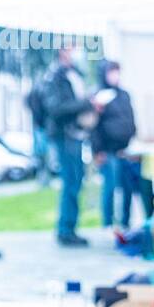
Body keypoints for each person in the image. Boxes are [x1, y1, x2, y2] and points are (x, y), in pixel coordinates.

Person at [40, 42, 96, 246]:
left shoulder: (74, 74)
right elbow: (56, 108)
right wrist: (87, 104)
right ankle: (66, 229)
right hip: (65, 136)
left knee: (75, 180)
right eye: (72, 47)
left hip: (75, 136)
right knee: (71, 181)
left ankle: (69, 227)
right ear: (63, 51)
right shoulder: (56, 77)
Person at [90, 60, 137, 229]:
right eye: (111, 72)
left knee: (128, 188)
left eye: (117, 71)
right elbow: (93, 126)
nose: (114, 75)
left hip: (125, 149)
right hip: (107, 150)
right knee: (110, 187)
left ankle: (125, 222)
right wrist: (97, 150)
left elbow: (130, 117)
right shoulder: (99, 96)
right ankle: (108, 223)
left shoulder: (124, 94)